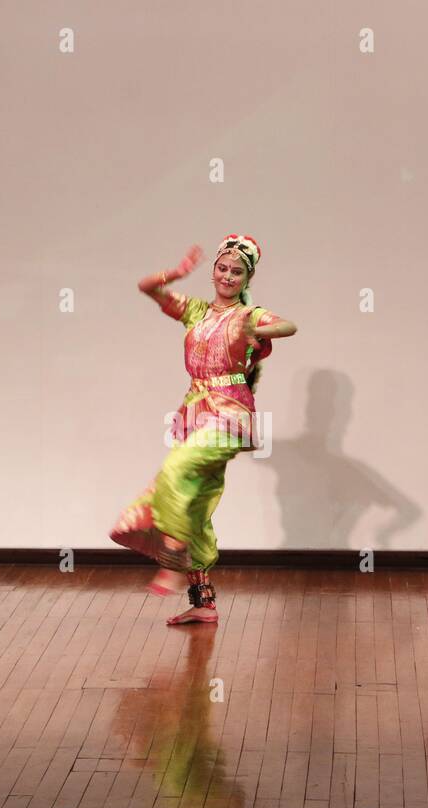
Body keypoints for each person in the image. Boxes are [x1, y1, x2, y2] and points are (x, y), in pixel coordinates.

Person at [111, 235, 297, 624]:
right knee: (197, 502)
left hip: (230, 414)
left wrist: (259, 333)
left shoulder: (248, 315)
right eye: (222, 268)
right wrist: (176, 272)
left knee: (176, 470)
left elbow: (288, 325)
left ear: (247, 279)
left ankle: (174, 554)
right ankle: (203, 602)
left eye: (237, 272)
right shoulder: (195, 311)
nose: (228, 276)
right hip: (196, 410)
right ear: (213, 271)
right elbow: (147, 287)